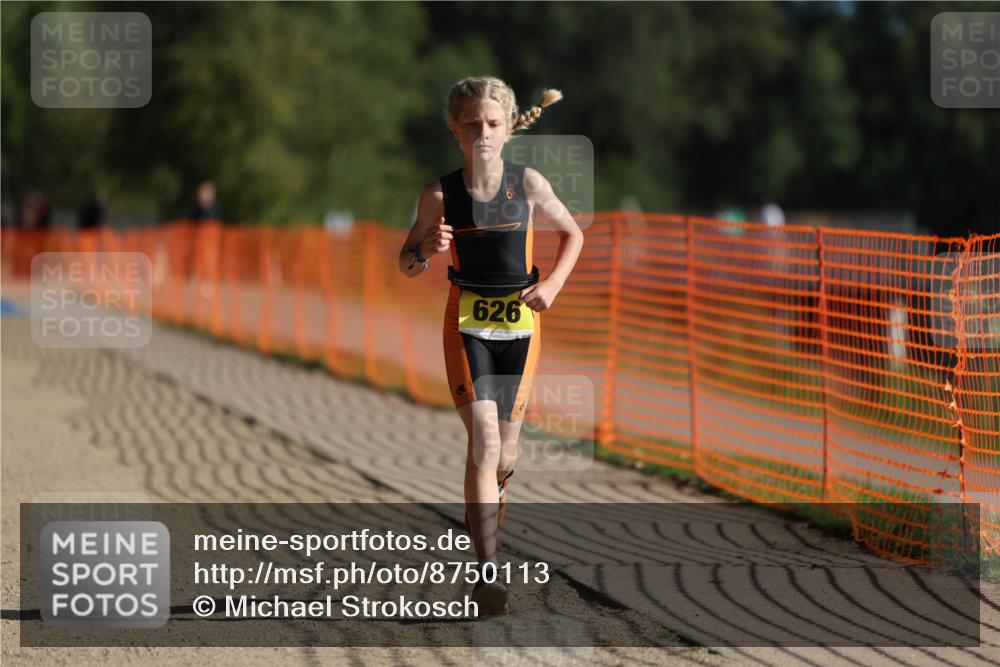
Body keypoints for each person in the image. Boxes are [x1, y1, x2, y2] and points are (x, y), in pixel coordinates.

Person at [398, 76, 583, 615]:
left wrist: (550, 285)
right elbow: (406, 263)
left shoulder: (527, 184)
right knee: (483, 440)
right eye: (472, 124)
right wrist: (426, 250)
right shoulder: (439, 193)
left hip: (522, 327)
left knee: (507, 451)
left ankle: (491, 508)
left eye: (492, 124)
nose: (483, 133)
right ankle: (487, 571)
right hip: (466, 323)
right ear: (456, 131)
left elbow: (573, 234)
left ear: (507, 130)